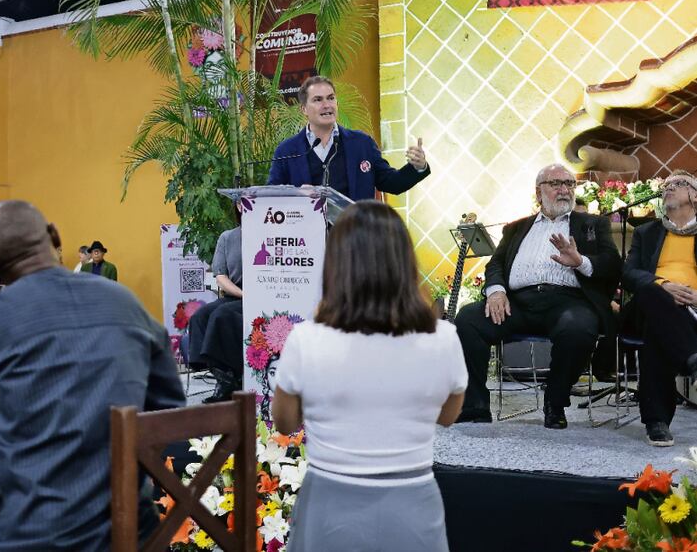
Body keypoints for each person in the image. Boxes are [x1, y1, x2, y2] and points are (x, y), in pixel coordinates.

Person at [0, 200, 184, 551]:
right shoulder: (125, 302)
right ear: (54, 236)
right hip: (127, 531)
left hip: (24, 535)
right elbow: (170, 410)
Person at [271, 201, 466, 552]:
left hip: (330, 503)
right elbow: (448, 416)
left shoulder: (307, 339)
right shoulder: (444, 337)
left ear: (337, 265)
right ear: (405, 262)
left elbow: (284, 423)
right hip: (412, 503)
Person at [454, 164, 621, 429]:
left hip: (569, 301)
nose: (564, 189)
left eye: (569, 184)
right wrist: (496, 291)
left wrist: (580, 261)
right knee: (468, 319)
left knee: (578, 329)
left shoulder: (592, 224)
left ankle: (555, 402)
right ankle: (474, 406)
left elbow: (612, 263)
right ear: (538, 192)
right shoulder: (516, 228)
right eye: (556, 183)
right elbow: (495, 264)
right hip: (518, 303)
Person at [621, 170, 697, 447]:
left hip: (692, 311)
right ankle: (692, 359)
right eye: (666, 185)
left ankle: (657, 421)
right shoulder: (647, 232)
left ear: (695, 196)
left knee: (659, 330)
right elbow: (629, 274)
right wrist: (663, 285)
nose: (669, 188)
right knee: (654, 295)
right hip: (646, 306)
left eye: (679, 184)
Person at [267, 76, 430, 200]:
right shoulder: (287, 150)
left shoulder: (362, 143)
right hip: (306, 240)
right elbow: (273, 196)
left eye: (331, 98)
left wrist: (418, 167)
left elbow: (391, 183)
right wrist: (298, 194)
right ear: (303, 109)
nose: (327, 105)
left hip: (354, 238)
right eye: (318, 100)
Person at [187, 217, 244, 403]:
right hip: (237, 292)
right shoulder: (227, 237)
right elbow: (220, 276)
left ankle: (229, 380)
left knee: (221, 315)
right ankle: (224, 378)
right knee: (199, 316)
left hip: (263, 294)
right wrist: (242, 294)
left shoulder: (269, 234)